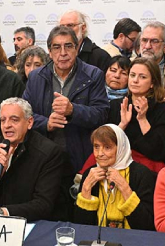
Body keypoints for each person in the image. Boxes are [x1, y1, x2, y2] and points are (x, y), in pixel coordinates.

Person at [22, 25, 109, 174]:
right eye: (56, 47)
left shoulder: (94, 75)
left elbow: (101, 115)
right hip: (43, 155)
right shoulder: (36, 77)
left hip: (81, 155)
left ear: (77, 48)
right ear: (49, 52)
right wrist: (46, 123)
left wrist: (73, 110)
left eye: (68, 46)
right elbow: (24, 116)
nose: (63, 53)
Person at [0, 98, 68, 221]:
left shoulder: (49, 152)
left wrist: (0, 212)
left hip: (32, 225)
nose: (7, 125)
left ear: (29, 122)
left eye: (14, 120)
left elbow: (43, 205)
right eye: (3, 120)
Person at [74, 124, 156, 230]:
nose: (100, 154)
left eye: (107, 147)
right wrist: (86, 189)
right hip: (97, 241)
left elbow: (147, 225)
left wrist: (124, 187)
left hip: (133, 240)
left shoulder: (141, 174)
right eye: (96, 147)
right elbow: (80, 226)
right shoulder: (90, 174)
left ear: (121, 148)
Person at [110, 57, 165, 166]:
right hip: (116, 163)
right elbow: (105, 144)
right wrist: (122, 125)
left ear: (152, 83)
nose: (135, 80)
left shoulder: (163, 110)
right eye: (132, 75)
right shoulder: (116, 105)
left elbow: (161, 152)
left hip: (149, 169)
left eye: (142, 77)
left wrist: (142, 119)